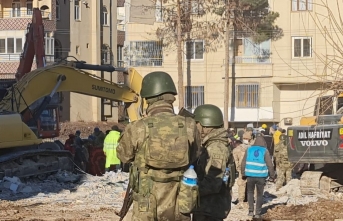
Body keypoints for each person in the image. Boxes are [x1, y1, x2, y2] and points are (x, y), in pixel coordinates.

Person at [116, 71, 201, 221]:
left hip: (146, 203)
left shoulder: (138, 127)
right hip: (179, 202)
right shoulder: (189, 125)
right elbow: (194, 156)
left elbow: (123, 156)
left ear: (148, 98)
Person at [192, 104, 233, 221]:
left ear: (205, 125)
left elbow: (213, 183)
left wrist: (188, 192)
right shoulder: (211, 145)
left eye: (196, 123)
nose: (195, 127)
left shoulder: (216, 148)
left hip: (210, 210)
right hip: (207, 208)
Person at [241, 136, 275, 219]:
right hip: (261, 176)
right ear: (264, 143)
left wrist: (243, 174)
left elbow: (243, 162)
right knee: (259, 195)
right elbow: (270, 164)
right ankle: (258, 213)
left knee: (250, 193)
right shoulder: (265, 151)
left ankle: (250, 211)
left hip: (250, 175)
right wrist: (272, 176)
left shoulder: (249, 149)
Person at [232, 132, 252, 209]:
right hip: (251, 169)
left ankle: (241, 201)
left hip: (242, 169)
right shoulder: (252, 148)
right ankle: (249, 200)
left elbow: (235, 160)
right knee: (250, 184)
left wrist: (238, 168)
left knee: (241, 184)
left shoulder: (237, 149)